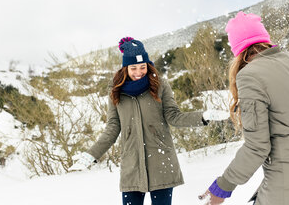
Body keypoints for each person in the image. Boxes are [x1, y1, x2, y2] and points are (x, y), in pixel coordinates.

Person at [199, 12, 289, 205]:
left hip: (286, 181)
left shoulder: (249, 76)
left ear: (238, 49)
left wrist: (223, 186)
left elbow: (257, 146)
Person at [69, 37, 228, 205]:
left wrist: (203, 116)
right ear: (125, 68)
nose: (139, 72)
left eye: (143, 67)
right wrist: (91, 155)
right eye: (134, 68)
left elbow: (174, 116)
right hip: (132, 166)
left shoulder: (160, 86)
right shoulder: (116, 92)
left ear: (148, 65)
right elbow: (113, 128)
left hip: (161, 163)